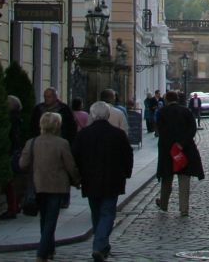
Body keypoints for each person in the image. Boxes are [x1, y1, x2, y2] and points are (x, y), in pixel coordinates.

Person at [72, 100, 133, 262]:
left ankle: (101, 244)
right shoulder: (118, 134)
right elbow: (128, 156)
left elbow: (75, 156)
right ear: (107, 115)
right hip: (113, 179)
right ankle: (100, 246)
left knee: (97, 212)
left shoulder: (83, 135)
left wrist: (77, 176)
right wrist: (127, 173)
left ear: (92, 115)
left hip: (90, 179)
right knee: (107, 213)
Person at [19, 110, 80, 262]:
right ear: (57, 125)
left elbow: (22, 164)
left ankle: (49, 250)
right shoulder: (62, 143)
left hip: (38, 185)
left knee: (44, 219)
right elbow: (70, 165)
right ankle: (41, 253)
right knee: (51, 220)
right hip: (57, 187)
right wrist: (77, 180)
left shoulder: (32, 142)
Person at [154, 90, 205, 217]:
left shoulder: (162, 112)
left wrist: (171, 145)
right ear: (177, 99)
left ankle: (164, 205)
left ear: (166, 100)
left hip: (167, 150)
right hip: (185, 149)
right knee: (184, 180)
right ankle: (184, 209)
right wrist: (181, 144)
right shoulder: (186, 111)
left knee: (166, 179)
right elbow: (192, 129)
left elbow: (160, 131)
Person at [0, 94, 25, 220]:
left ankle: (12, 208)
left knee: (10, 182)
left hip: (11, 152)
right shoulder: (18, 118)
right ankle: (16, 205)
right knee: (15, 181)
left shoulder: (10, 119)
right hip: (17, 151)